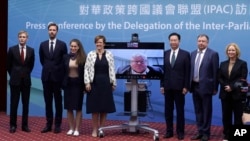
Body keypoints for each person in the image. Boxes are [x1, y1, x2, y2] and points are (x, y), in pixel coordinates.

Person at [84, 35, 116, 137]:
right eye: (97, 42)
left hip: (106, 83)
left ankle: (101, 129)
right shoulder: (91, 54)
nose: (98, 44)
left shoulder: (109, 54)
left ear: (104, 44)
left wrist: (113, 83)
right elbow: (86, 69)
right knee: (95, 108)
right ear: (95, 43)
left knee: (104, 108)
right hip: (94, 83)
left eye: (100, 42)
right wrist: (87, 82)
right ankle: (94, 129)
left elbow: (112, 69)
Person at [160, 32, 190, 140]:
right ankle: (169, 131)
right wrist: (162, 85)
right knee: (168, 111)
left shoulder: (185, 54)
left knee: (180, 111)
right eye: (171, 40)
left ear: (179, 41)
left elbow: (188, 72)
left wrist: (186, 86)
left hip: (180, 88)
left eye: (175, 40)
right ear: (169, 41)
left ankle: (180, 132)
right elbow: (162, 72)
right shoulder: (165, 53)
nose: (173, 42)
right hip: (167, 87)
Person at [39, 23, 67, 133]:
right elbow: (42, 60)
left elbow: (64, 61)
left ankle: (57, 125)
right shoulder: (43, 44)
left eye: (54, 30)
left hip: (58, 78)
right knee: (48, 101)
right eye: (50, 30)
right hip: (46, 77)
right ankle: (48, 124)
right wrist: (48, 69)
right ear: (48, 31)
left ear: (57, 31)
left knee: (58, 102)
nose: (52, 31)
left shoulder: (62, 44)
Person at [190, 34, 219, 141]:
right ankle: (200, 131)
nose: (201, 43)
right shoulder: (193, 54)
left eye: (203, 41)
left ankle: (206, 133)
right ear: (197, 42)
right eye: (199, 41)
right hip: (195, 86)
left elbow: (216, 72)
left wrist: (215, 87)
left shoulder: (213, 54)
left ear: (207, 42)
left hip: (207, 87)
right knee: (198, 111)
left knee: (206, 111)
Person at [218, 43, 248, 141]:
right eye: (229, 50)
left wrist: (232, 87)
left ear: (237, 52)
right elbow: (220, 77)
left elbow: (242, 78)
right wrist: (225, 86)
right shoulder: (223, 64)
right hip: (225, 94)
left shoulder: (242, 63)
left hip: (237, 95)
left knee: (238, 117)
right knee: (226, 116)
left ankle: (237, 136)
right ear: (227, 52)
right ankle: (227, 135)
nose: (231, 52)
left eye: (233, 50)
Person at [7, 30, 35, 133]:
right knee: (14, 104)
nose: (22, 38)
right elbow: (8, 66)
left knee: (25, 104)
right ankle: (13, 125)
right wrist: (15, 75)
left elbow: (31, 66)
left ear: (27, 38)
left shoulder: (31, 51)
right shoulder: (12, 49)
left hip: (26, 81)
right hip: (15, 81)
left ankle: (25, 125)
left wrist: (25, 74)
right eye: (20, 37)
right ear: (18, 38)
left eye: (24, 37)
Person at [62, 39, 86, 136]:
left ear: (78, 47)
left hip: (79, 84)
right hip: (68, 84)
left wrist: (85, 85)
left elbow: (85, 73)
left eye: (75, 46)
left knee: (78, 108)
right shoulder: (65, 57)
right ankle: (71, 128)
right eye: (71, 46)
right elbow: (62, 71)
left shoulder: (83, 58)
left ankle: (77, 129)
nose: (73, 48)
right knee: (69, 108)